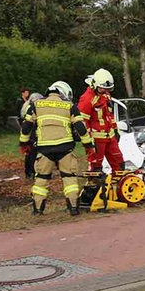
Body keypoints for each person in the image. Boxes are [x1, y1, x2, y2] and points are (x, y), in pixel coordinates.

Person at [19, 81, 92, 215]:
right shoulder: (70, 106)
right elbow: (81, 128)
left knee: (41, 179)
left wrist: (23, 144)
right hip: (65, 148)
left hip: (44, 149)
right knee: (69, 178)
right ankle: (74, 208)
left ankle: (37, 210)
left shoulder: (36, 105)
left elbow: (26, 126)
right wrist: (88, 145)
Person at [78, 68, 125, 174]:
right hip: (96, 140)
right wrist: (88, 141)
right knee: (96, 169)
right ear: (94, 85)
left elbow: (109, 114)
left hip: (110, 137)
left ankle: (117, 188)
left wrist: (115, 129)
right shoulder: (86, 99)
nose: (104, 91)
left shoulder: (106, 95)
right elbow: (83, 122)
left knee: (119, 164)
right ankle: (96, 189)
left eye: (106, 89)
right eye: (101, 89)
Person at [20, 92, 43, 179]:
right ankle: (31, 172)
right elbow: (29, 123)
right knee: (32, 154)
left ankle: (29, 172)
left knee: (28, 154)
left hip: (27, 133)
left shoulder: (26, 106)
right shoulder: (31, 108)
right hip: (30, 133)